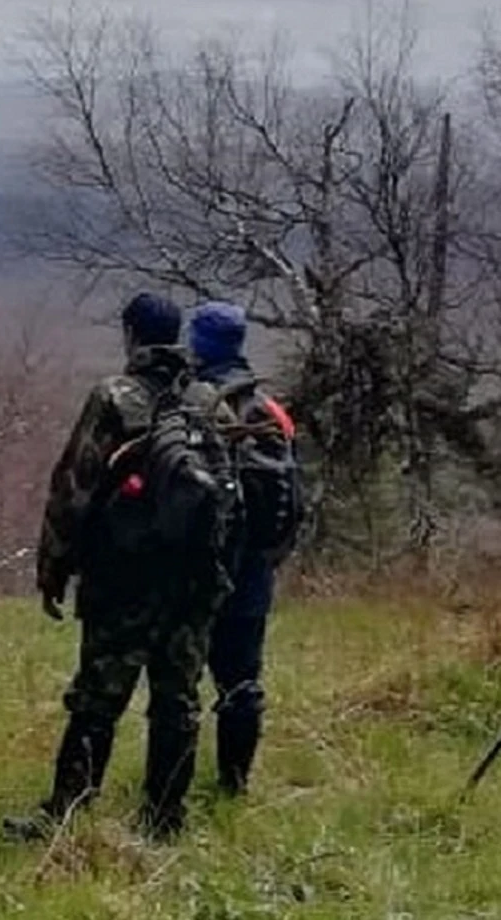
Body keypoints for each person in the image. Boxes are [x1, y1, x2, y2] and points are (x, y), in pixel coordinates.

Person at [5, 292, 230, 842]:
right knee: (178, 700)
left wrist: (53, 568)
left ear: (131, 335)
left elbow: (73, 487)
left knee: (97, 699)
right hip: (193, 582)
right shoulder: (209, 401)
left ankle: (66, 812)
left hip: (123, 581)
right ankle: (164, 819)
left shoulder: (113, 397)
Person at [188, 301, 304, 797]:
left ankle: (172, 786)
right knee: (242, 682)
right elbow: (295, 498)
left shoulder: (191, 402)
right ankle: (234, 785)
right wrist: (268, 556)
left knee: (182, 681)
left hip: (195, 565)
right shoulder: (272, 411)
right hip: (254, 567)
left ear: (198, 344)